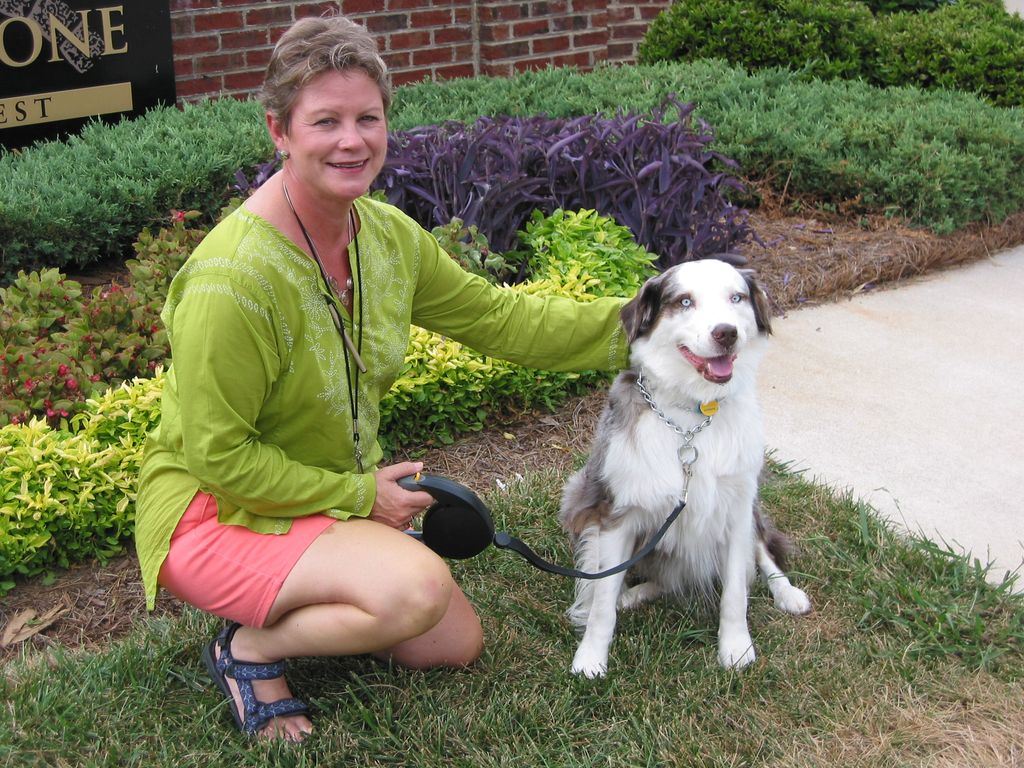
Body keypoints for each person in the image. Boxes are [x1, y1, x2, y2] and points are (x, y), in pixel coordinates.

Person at [134, 13, 629, 742]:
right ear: (279, 131)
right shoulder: (229, 282)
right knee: (415, 590)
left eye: (368, 117)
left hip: (315, 493)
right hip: (212, 512)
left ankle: (308, 591)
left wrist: (648, 329)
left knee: (447, 641)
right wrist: (358, 495)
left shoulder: (386, 237)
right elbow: (220, 459)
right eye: (325, 120)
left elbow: (502, 321)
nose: (351, 140)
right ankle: (247, 649)